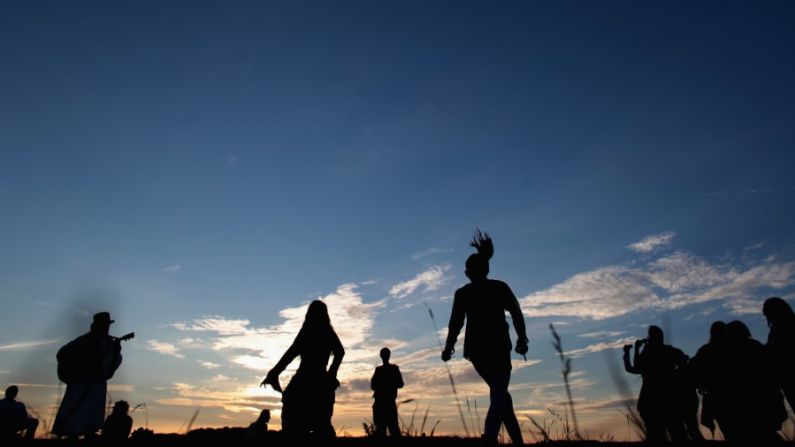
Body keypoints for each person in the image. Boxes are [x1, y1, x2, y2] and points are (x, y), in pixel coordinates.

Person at [442, 230, 528, 446]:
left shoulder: (465, 293)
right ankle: (493, 438)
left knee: (499, 394)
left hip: (480, 351)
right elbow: (516, 313)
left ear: (469, 273)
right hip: (496, 348)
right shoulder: (498, 288)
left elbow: (455, 324)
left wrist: (448, 347)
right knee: (500, 393)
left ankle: (503, 440)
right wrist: (522, 339)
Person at [260, 300, 344, 440]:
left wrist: (275, 372)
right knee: (321, 423)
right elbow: (340, 352)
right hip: (320, 379)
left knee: (292, 416)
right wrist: (331, 373)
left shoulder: (308, 331)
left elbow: (291, 353)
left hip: (305, 378)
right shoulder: (327, 331)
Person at [52, 312, 124, 438]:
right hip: (80, 381)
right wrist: (79, 365)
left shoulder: (108, 342)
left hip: (96, 383)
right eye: (104, 325)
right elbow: (63, 353)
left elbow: (112, 363)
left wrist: (116, 350)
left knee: (92, 414)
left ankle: (88, 434)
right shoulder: (83, 341)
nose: (107, 328)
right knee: (75, 412)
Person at [722, 320, 786, 443]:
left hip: (747, 400)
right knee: (765, 432)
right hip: (762, 397)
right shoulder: (754, 346)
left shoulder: (730, 352)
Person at [622, 326, 688, 442]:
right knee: (678, 433)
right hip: (670, 399)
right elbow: (684, 362)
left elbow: (635, 367)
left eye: (649, 336)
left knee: (655, 435)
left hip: (650, 399)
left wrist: (634, 350)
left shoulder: (648, 353)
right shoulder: (670, 351)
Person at [690, 321, 729, 438]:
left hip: (716, 395)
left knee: (728, 428)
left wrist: (700, 384)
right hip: (725, 394)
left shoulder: (706, 350)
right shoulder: (731, 349)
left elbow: (693, 367)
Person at [763, 297, 795, 409]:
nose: (767, 317)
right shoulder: (775, 330)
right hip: (786, 379)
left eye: (767, 313)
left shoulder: (787, 327)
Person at [370, 347, 404, 437]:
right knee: (391, 428)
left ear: (381, 356)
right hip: (387, 402)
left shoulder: (379, 370)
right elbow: (400, 384)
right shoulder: (393, 369)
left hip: (382, 402)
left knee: (383, 428)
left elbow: (373, 386)